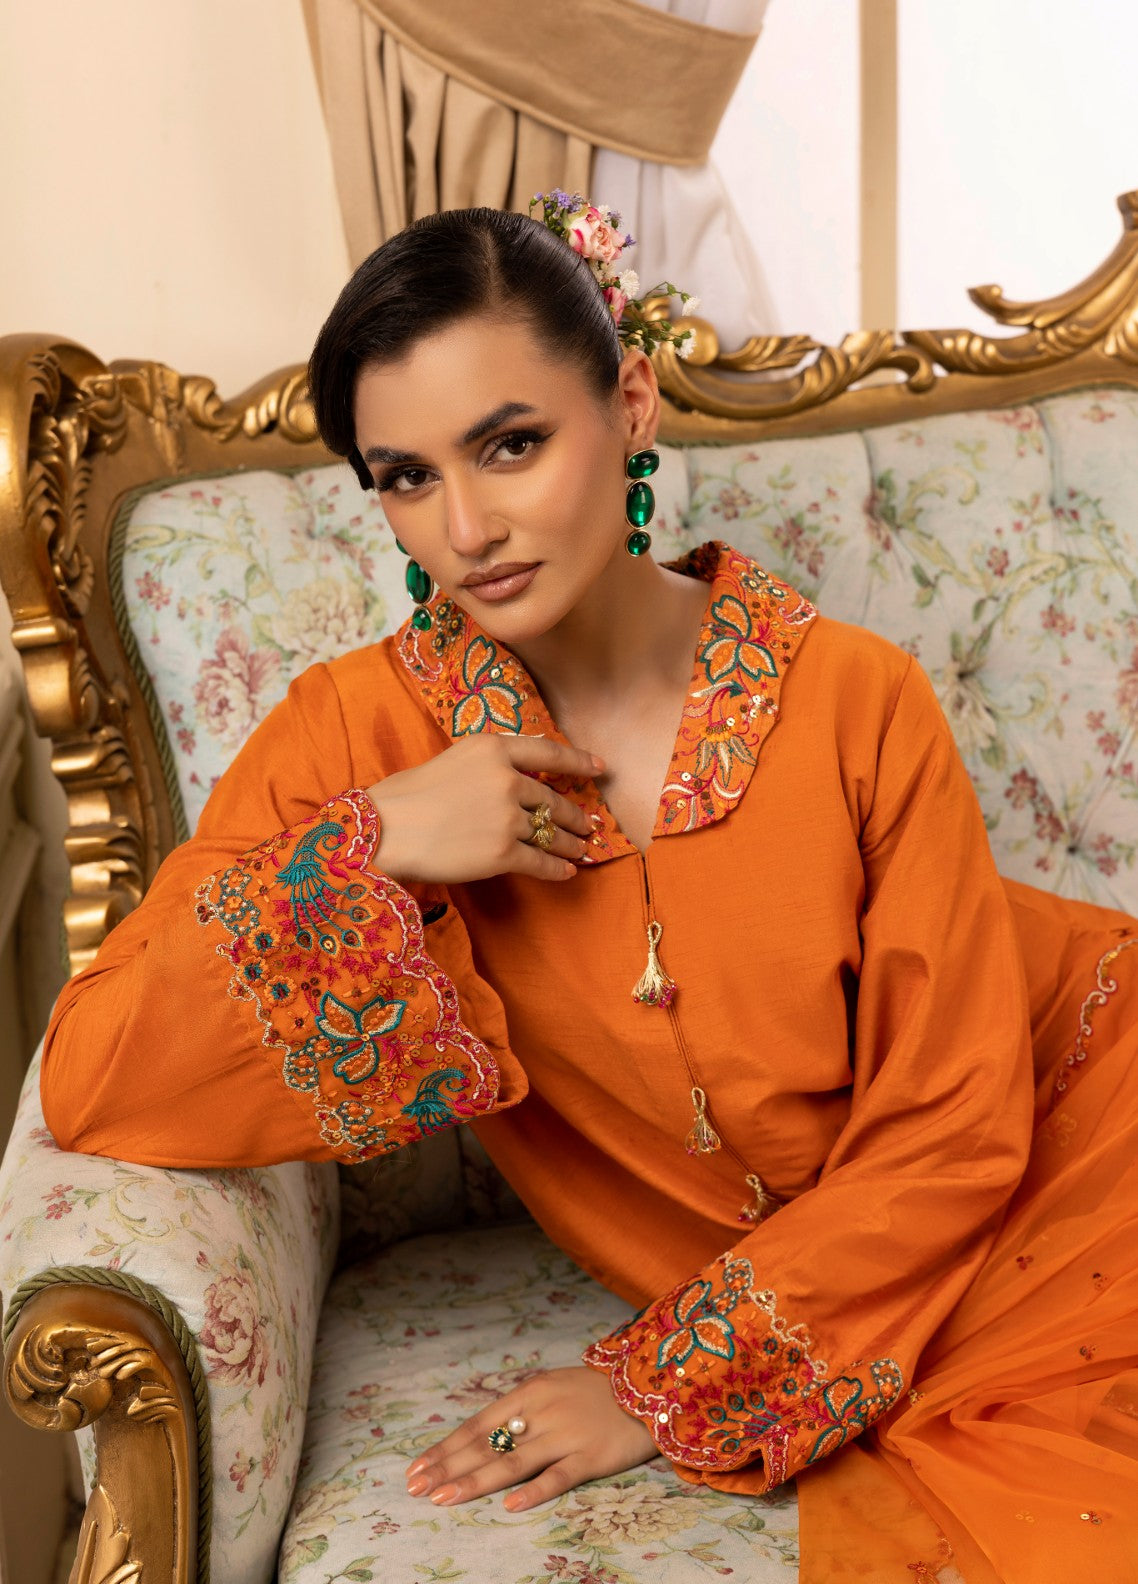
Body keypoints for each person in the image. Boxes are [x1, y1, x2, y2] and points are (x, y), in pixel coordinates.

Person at [40, 198, 1138, 1584]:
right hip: (888, 1285)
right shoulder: (355, 738)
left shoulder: (857, 700)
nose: (468, 526)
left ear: (629, 405)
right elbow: (95, 1073)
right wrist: (374, 846)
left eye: (511, 444)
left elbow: (954, 1128)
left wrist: (660, 1382)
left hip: (1085, 1132)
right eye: (406, 476)